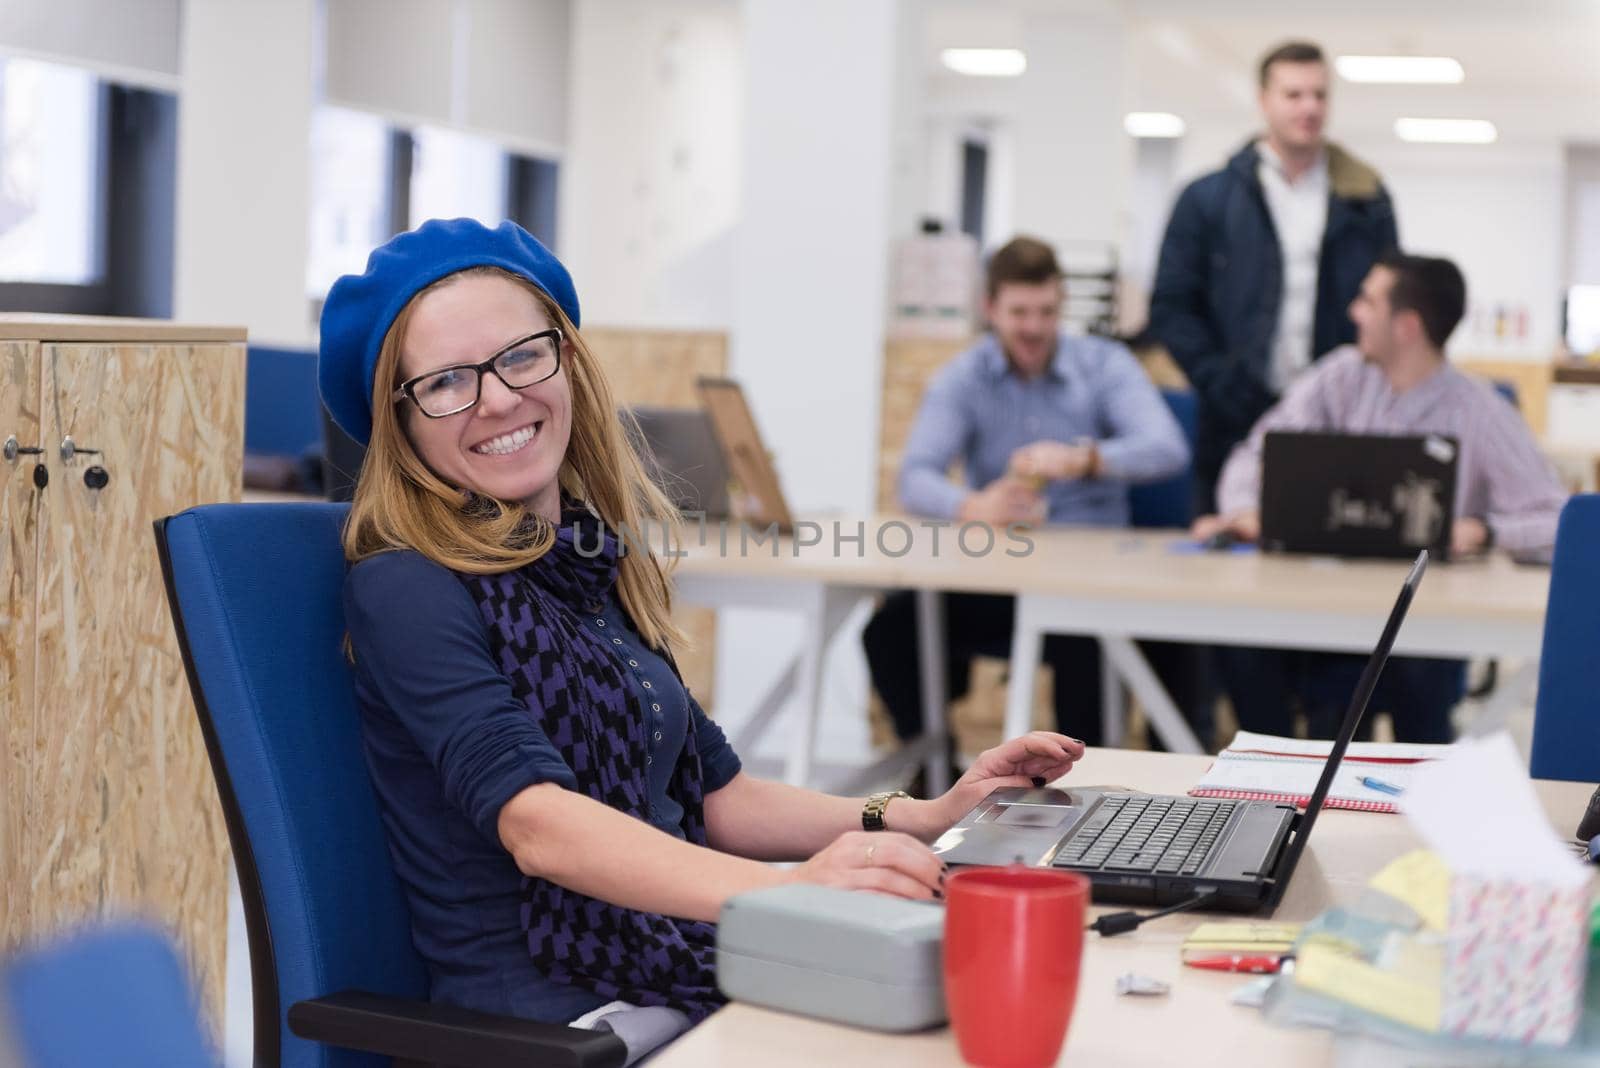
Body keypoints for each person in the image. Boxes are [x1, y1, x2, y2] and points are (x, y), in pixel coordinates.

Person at [316, 218, 1086, 1048]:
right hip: (552, 1023)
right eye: (447, 383)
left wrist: (921, 816)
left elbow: (718, 796)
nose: (499, 397)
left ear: (566, 359)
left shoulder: (579, 561)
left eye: (520, 356)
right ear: (401, 421)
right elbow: (538, 826)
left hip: (665, 969)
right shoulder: (407, 583)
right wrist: (785, 891)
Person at [1191, 251, 1568, 742]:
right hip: (1317, 605)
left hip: (1419, 621)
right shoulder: (1340, 377)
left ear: (1407, 325)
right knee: (1240, 645)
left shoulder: (1481, 412)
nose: (1353, 311)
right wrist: (1245, 511)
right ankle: (1278, 776)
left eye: (1368, 300)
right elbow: (1254, 453)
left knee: (1419, 667)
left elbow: (1562, 521)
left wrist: (1485, 530)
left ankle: (1415, 794)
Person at [863, 236, 1195, 754]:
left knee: (1087, 640)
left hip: (1093, 578)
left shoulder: (1104, 365)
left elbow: (1167, 447)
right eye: (1019, 312)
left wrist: (1087, 459)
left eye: (1046, 311)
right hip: (1002, 573)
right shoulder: (964, 377)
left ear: (1061, 305)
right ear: (990, 308)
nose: (1034, 328)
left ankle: (1086, 788)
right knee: (891, 629)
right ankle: (934, 767)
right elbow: (915, 477)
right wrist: (972, 506)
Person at [1149, 39, 1399, 514]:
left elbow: (1390, 301)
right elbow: (1172, 305)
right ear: (1263, 100)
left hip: (1339, 422)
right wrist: (1218, 380)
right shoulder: (1207, 199)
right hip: (1232, 418)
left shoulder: (1366, 200)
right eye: (1294, 94)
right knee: (1225, 566)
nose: (1310, 107)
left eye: (1320, 95)